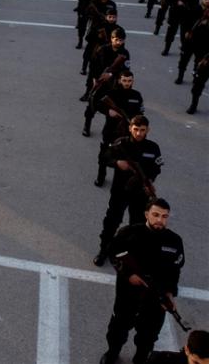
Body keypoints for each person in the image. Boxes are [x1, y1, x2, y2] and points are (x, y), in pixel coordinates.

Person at [100, 199, 184, 364]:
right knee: (118, 330)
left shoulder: (174, 241)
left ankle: (140, 359)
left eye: (164, 216)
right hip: (128, 294)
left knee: (148, 336)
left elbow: (175, 270)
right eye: (156, 215)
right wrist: (128, 274)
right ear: (146, 214)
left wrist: (170, 292)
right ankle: (112, 353)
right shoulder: (128, 233)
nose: (160, 220)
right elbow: (113, 254)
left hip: (155, 296)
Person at [94, 115, 162, 267]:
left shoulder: (153, 148)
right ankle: (104, 250)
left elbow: (156, 169)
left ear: (148, 130)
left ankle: (129, 254)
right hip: (120, 190)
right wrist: (117, 163)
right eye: (136, 129)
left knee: (137, 226)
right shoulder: (121, 144)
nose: (138, 133)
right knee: (111, 222)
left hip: (141, 194)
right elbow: (104, 157)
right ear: (130, 128)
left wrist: (149, 181)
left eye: (142, 130)